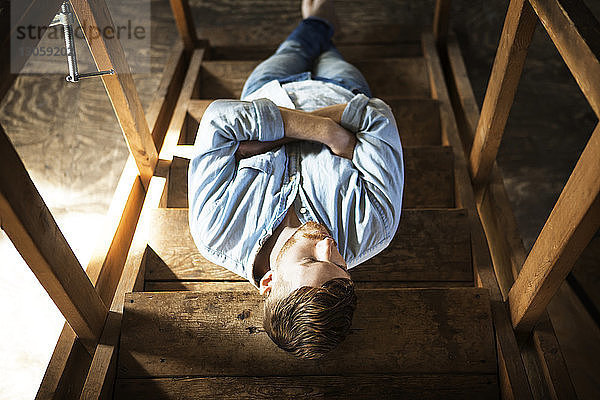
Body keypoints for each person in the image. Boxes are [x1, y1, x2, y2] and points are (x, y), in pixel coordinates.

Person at [188, 0, 404, 359]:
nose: (329, 247)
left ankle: (317, 20)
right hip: (342, 90)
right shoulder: (374, 227)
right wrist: (323, 132)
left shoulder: (217, 229)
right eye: (341, 266)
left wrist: (332, 134)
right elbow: (377, 116)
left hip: (269, 87)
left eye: (310, 261)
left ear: (270, 283)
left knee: (295, 47)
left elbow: (216, 119)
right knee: (330, 53)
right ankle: (320, 23)